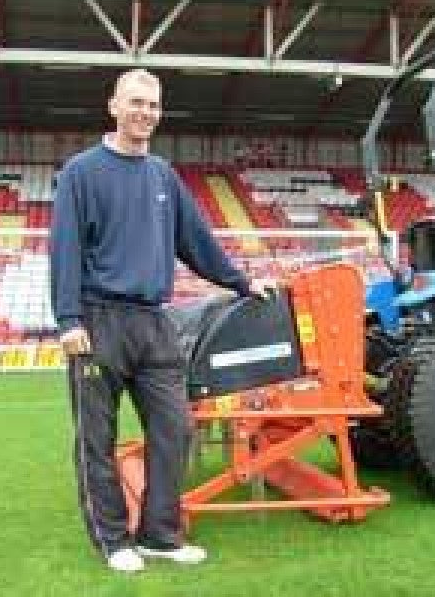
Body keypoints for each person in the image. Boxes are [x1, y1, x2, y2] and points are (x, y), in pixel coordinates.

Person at [51, 69, 266, 573]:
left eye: (153, 105)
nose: (145, 112)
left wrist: (240, 281)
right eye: (136, 102)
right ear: (114, 106)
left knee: (175, 428)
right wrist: (67, 319)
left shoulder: (163, 176)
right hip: (97, 322)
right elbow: (65, 249)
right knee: (95, 438)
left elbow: (197, 242)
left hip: (154, 322)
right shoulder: (81, 172)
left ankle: (159, 535)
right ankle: (112, 539)